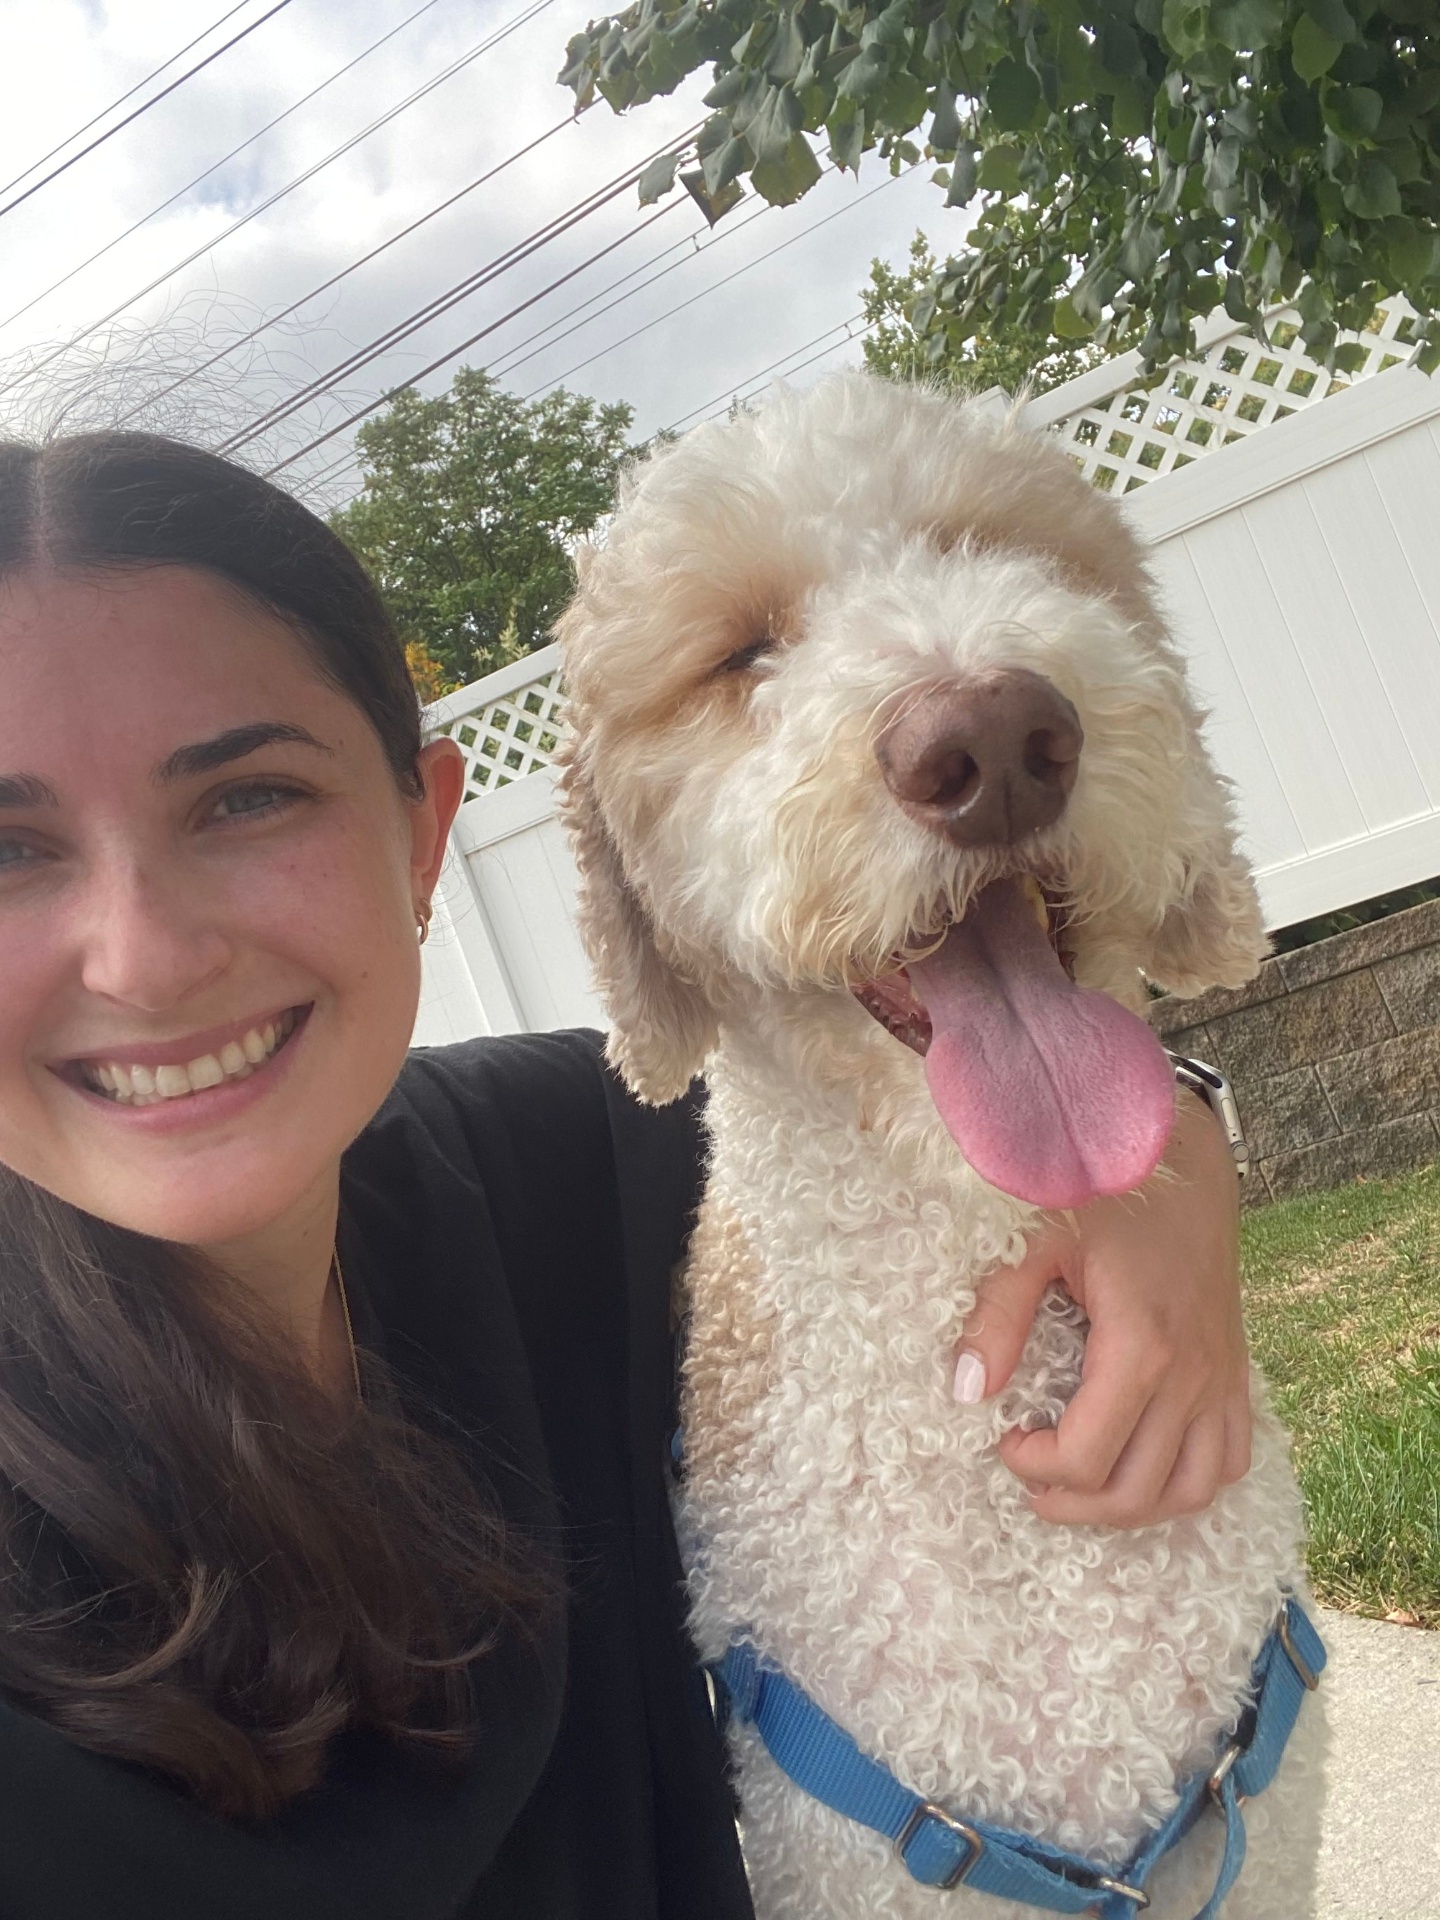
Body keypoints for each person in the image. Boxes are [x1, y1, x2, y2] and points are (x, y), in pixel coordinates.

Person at [0, 431, 1251, 1920]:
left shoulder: (552, 1167)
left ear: (421, 832)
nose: (144, 957)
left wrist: (1167, 1162)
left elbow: (889, 1110)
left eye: (244, 798)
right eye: (7, 851)